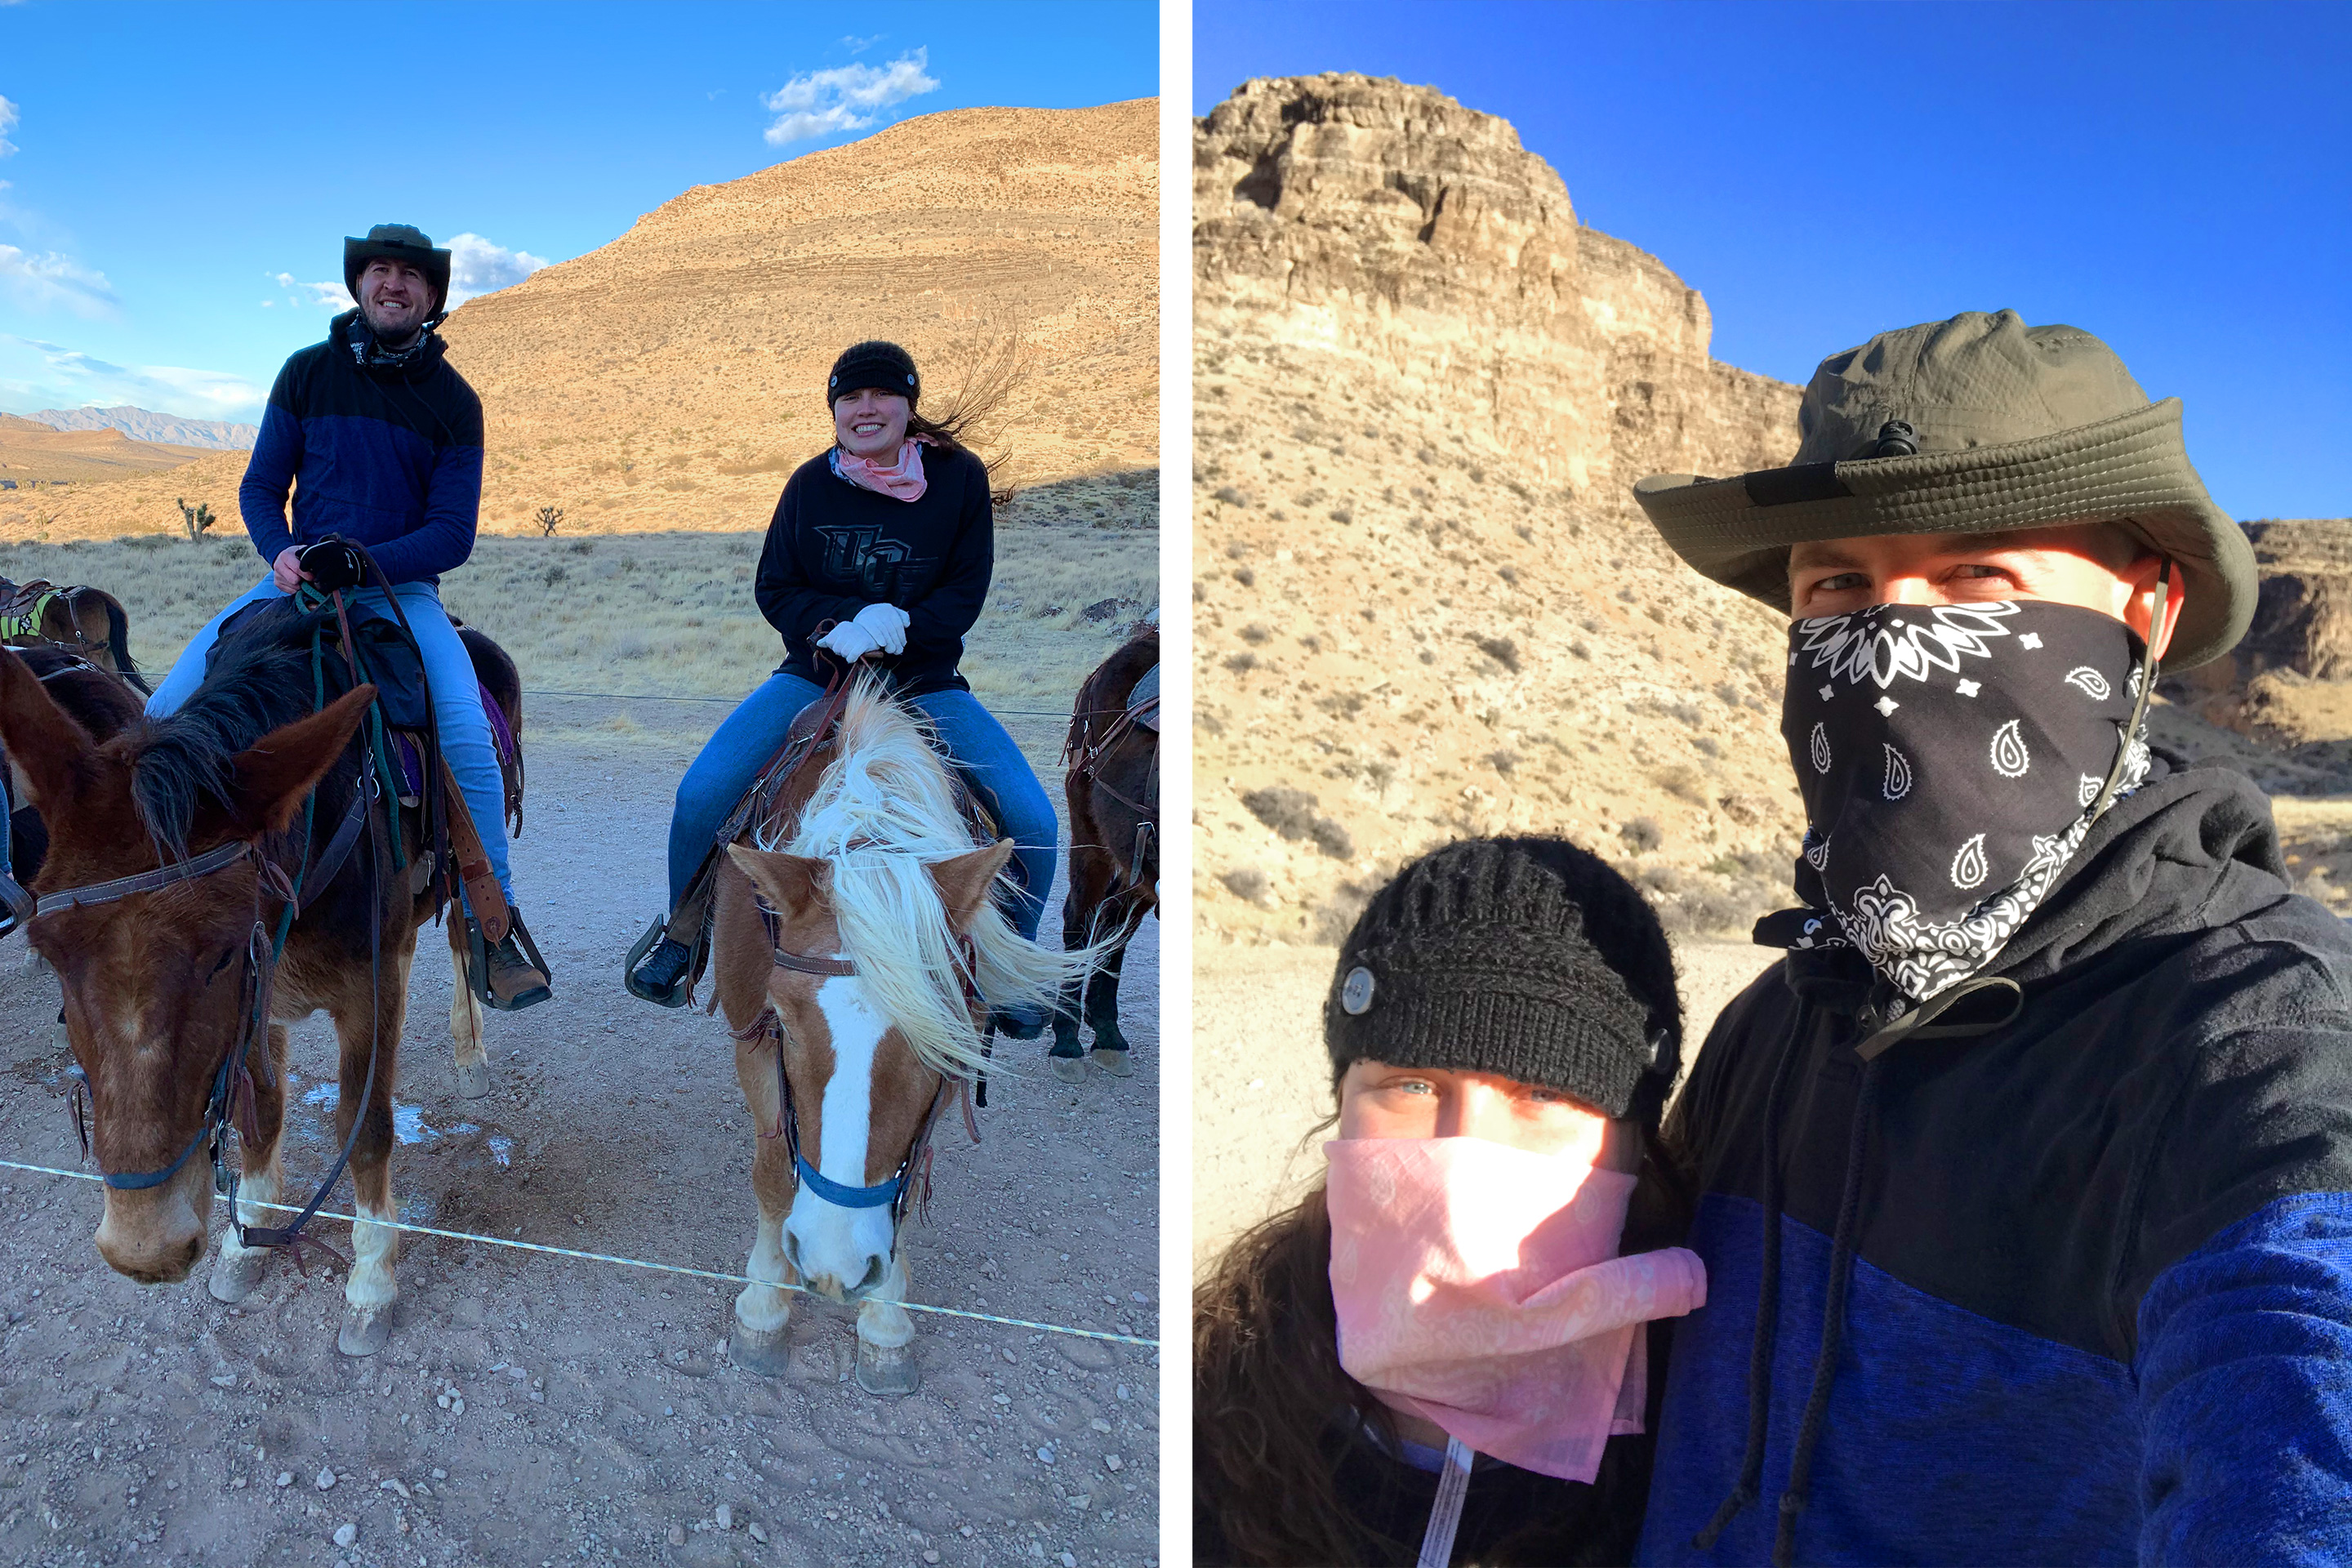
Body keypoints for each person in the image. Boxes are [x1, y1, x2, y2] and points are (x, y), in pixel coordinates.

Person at [1625, 310, 2352, 1566]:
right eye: (1839, 586)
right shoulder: (1779, 1022)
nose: (1895, 638)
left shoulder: (2251, 1033)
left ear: (2149, 609)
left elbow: (2301, 1402)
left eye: (1979, 578)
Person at [1195, 836, 1707, 1567]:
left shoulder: (1712, 1443)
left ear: (1633, 1142)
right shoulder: (1213, 1397)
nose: (1460, 1154)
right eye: (1412, 1086)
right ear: (1342, 1103)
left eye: (1543, 1093)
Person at [145, 224, 550, 1010]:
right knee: (164, 712)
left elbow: (452, 532)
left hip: (400, 591)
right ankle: (141, 906)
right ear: (359, 286)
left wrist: (369, 562)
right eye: (379, 271)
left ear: (431, 298)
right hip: (293, 584)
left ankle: (490, 922)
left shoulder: (453, 402)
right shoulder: (306, 374)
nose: (392, 284)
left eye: (410, 276)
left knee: (465, 724)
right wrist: (282, 553)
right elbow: (262, 487)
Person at [626, 340, 1060, 1034]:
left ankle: (1010, 966)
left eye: (881, 395)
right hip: (817, 676)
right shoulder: (809, 484)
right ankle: (684, 931)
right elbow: (775, 586)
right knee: (702, 792)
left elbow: (965, 590)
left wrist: (902, 626)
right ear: (834, 410)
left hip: (923, 683)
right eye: (849, 397)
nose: (866, 409)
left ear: (908, 405)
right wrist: (836, 623)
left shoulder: (958, 479)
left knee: (1033, 822)